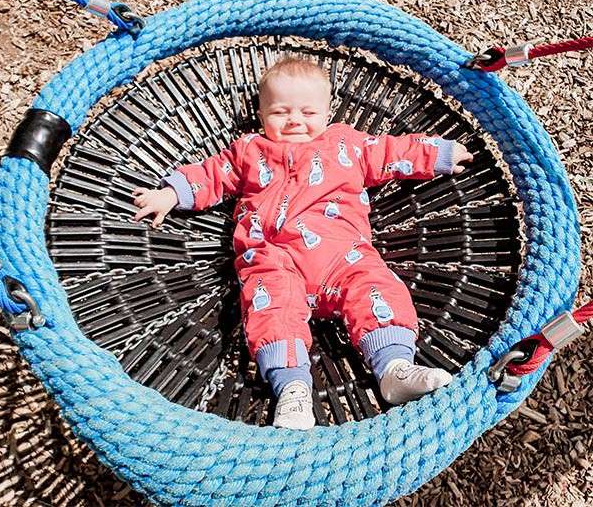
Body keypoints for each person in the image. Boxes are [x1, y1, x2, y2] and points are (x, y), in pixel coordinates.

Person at [132, 57, 473, 430]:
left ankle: (393, 367)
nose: (295, 120)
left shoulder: (346, 144)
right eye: (280, 112)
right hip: (274, 258)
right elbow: (211, 175)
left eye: (308, 111)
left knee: (375, 286)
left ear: (327, 113)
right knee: (270, 311)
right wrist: (170, 193)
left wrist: (437, 153)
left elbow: (391, 152)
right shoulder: (248, 151)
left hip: (343, 255)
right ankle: (292, 389)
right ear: (261, 115)